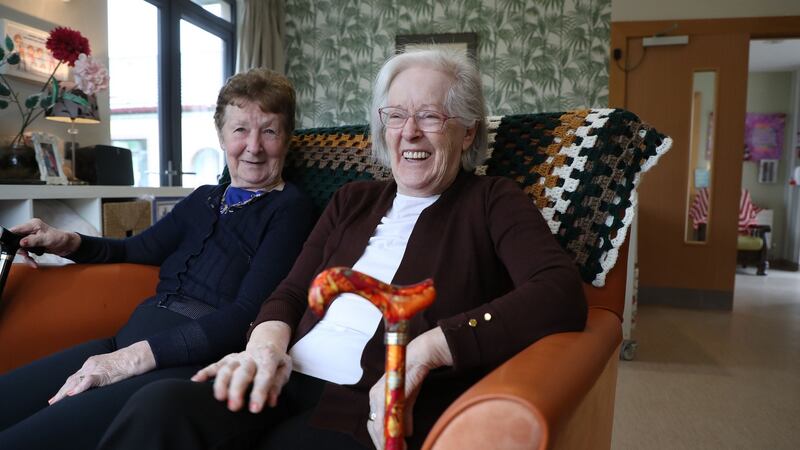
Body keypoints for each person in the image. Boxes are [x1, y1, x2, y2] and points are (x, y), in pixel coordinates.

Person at [98, 48, 587, 450]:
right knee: (159, 407)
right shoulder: (353, 199)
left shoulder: (491, 200)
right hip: (284, 378)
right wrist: (263, 347)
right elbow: (290, 291)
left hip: (363, 401)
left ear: (468, 132)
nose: (409, 132)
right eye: (396, 115)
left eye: (430, 116)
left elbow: (559, 291)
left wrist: (427, 349)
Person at [0, 68, 315, 450]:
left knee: (22, 440)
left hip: (183, 364)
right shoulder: (204, 198)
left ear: (286, 138)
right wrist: (65, 241)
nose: (254, 146)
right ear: (220, 135)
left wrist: (129, 360)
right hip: (124, 341)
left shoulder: (291, 210)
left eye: (269, 130)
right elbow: (136, 249)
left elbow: (248, 313)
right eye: (240, 130)